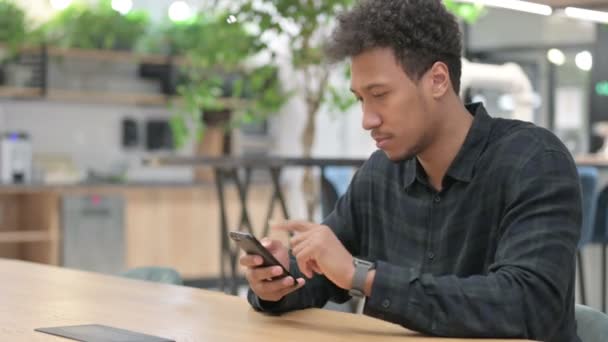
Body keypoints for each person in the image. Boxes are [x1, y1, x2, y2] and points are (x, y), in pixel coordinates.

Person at [240, 1, 582, 341]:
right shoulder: (380, 175)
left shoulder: (534, 161)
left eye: (380, 95)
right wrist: (277, 284)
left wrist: (364, 277)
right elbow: (322, 275)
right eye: (361, 99)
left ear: (437, 80)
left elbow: (529, 306)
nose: (367, 120)